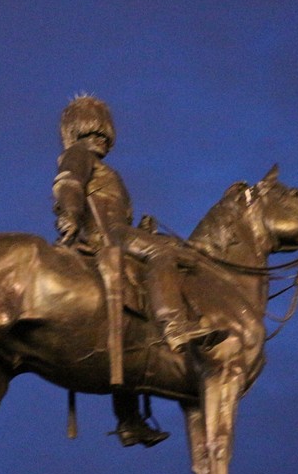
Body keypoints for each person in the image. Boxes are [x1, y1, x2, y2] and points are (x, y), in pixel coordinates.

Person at [51, 94, 224, 447]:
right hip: (108, 237)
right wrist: (68, 214)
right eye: (93, 130)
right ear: (77, 132)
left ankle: (129, 420)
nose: (101, 138)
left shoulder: (107, 170)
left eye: (104, 133)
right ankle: (175, 328)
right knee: (164, 252)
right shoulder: (79, 156)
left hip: (121, 234)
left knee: (131, 324)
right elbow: (68, 183)